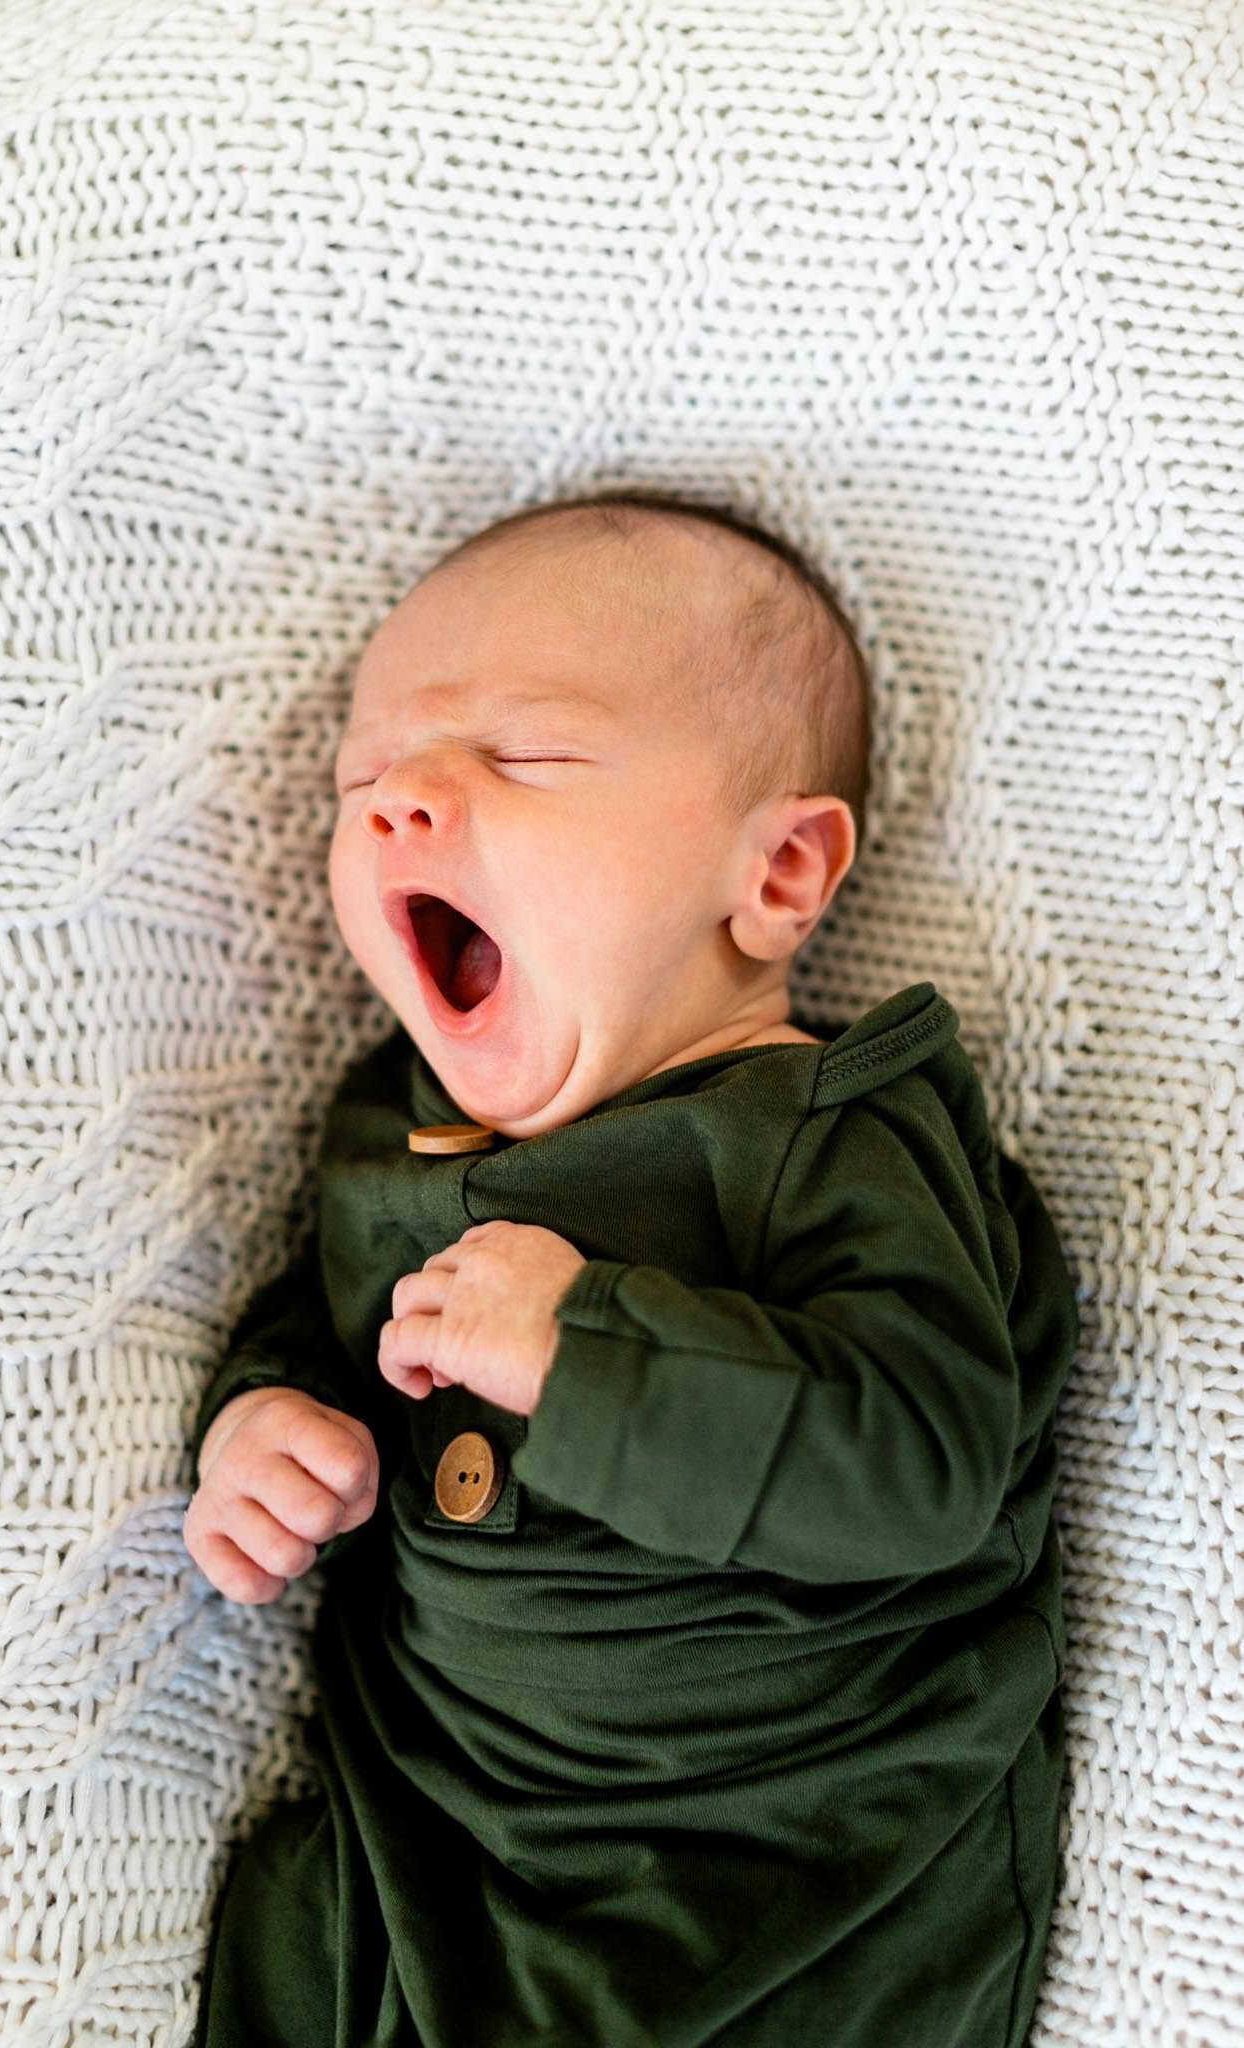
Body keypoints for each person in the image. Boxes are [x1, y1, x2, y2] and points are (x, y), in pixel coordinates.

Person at [183, 489, 1078, 2047]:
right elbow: (320, 1312)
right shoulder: (390, 1126)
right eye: (367, 775)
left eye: (524, 755)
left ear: (779, 874)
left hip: (778, 1876)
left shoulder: (825, 1137)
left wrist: (583, 1344)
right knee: (282, 1945)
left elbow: (922, 1467)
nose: (402, 800)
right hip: (426, 1830)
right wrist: (271, 1420)